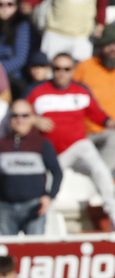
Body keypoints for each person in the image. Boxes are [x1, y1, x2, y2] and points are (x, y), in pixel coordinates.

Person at [27, 53, 115, 225]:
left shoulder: (81, 90)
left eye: (66, 69)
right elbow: (19, 113)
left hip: (78, 144)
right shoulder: (38, 91)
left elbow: (98, 115)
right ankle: (46, 231)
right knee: (49, 187)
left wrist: (111, 122)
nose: (61, 73)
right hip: (53, 151)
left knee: (102, 172)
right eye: (57, 68)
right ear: (51, 70)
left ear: (72, 71)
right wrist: (35, 120)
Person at [0, 98, 62, 236]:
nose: (20, 120)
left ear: (32, 118)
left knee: (34, 251)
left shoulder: (42, 144)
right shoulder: (1, 144)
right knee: (4, 252)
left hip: (34, 207)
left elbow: (57, 172)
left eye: (25, 115)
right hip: (5, 207)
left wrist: (49, 196)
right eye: (15, 115)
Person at [72, 24, 115, 168]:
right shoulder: (85, 67)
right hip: (84, 131)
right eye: (109, 44)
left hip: (111, 132)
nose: (113, 49)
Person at [0, 0, 32, 94]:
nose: (4, 8)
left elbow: (20, 59)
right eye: (0, 4)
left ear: (17, 6)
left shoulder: (23, 26)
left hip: (15, 79)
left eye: (10, 4)